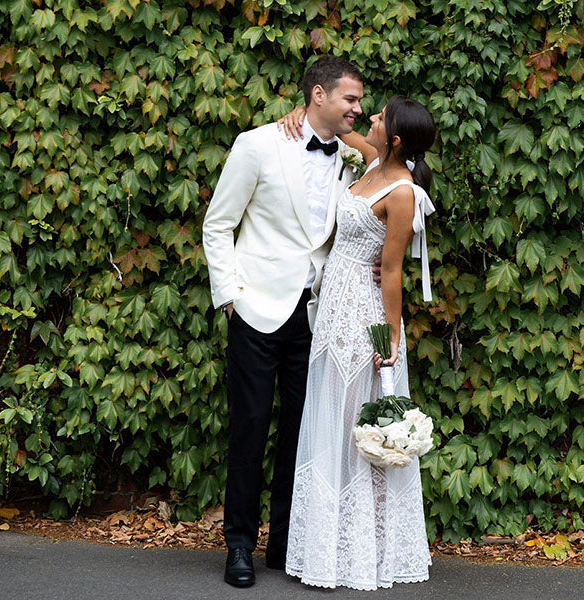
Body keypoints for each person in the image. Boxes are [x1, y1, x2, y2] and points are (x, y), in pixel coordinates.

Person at [202, 55, 365, 588]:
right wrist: (230, 295)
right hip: (256, 308)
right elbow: (218, 223)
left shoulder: (350, 154)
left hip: (317, 313)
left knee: (302, 432)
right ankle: (240, 546)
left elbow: (392, 162)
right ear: (318, 96)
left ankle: (287, 543)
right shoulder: (257, 144)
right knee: (249, 428)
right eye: (350, 99)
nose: (357, 110)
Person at [277, 96, 437, 589]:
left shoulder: (403, 190)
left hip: (365, 314)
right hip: (333, 308)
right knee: (327, 415)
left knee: (352, 419)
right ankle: (326, 544)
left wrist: (390, 334)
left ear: (394, 139)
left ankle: (361, 551)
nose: (367, 116)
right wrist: (299, 115)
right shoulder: (371, 161)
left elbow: (391, 269)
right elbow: (336, 128)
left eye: (379, 117)